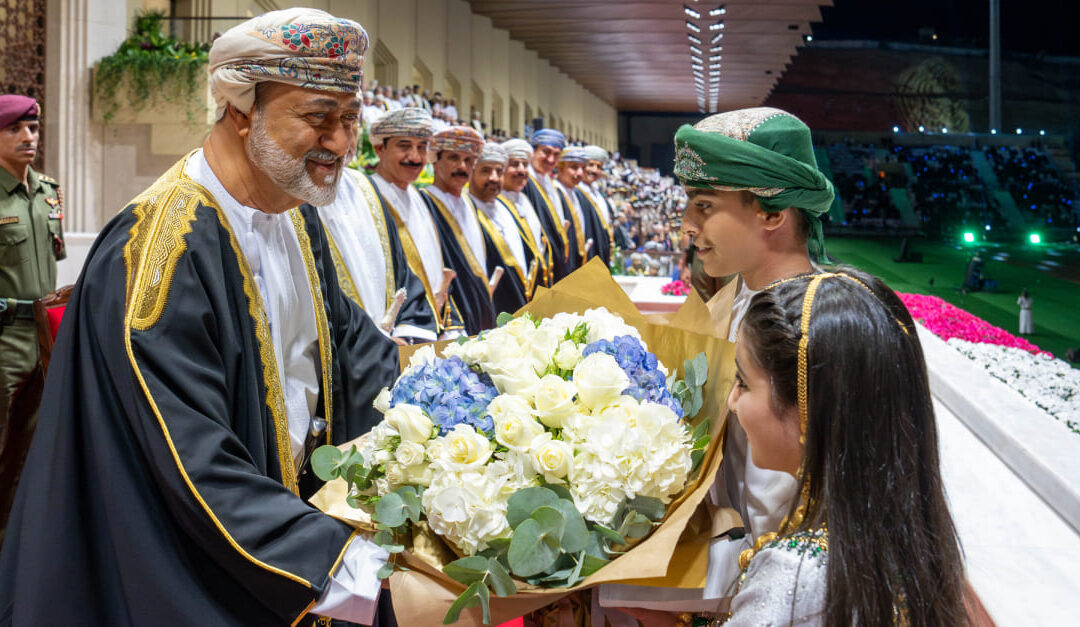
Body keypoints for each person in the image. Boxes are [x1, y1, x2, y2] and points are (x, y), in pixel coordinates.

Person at [0, 10, 400, 624]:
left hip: (290, 533)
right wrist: (351, 574)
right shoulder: (158, 251)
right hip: (187, 564)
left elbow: (353, 352)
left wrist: (468, 414)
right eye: (318, 117)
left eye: (350, 119)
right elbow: (191, 464)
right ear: (241, 110)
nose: (342, 143)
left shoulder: (294, 209)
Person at [628, 269, 967, 625]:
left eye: (743, 382)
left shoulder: (796, 570)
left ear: (807, 409)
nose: (731, 401)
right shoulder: (900, 536)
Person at [600, 108, 837, 616]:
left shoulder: (802, 328)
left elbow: (775, 523)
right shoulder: (740, 299)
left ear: (773, 213)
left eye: (704, 205)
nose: (687, 226)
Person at [0, 94, 65, 544]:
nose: (29, 137)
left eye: (34, 129)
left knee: (28, 450)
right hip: (2, 338)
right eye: (15, 129)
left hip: (40, 338)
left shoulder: (48, 191)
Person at [307, 150, 437, 343]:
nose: (344, 137)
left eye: (351, 121)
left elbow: (401, 269)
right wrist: (376, 344)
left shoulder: (366, 186)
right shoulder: (296, 197)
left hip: (393, 347)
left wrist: (404, 334)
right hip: (345, 351)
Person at [368, 107, 466, 337]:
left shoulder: (420, 198)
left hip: (432, 327)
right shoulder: (369, 197)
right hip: (395, 334)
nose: (415, 157)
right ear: (379, 148)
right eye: (404, 146)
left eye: (422, 147)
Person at [420, 126, 496, 335]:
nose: (462, 166)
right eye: (454, 158)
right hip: (450, 323)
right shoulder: (424, 203)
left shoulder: (470, 204)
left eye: (469, 161)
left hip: (480, 314)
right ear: (435, 160)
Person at [468, 142, 535, 315]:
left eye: (499, 171)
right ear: (471, 172)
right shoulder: (467, 210)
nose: (494, 178)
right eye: (486, 170)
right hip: (490, 310)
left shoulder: (505, 208)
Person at [525, 129, 577, 280]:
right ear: (533, 151)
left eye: (556, 154)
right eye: (546, 152)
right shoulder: (525, 181)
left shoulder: (548, 181)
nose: (550, 159)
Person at [500, 138, 551, 285]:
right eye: (514, 165)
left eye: (525, 165)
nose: (521, 170)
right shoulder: (495, 203)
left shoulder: (525, 200)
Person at [578, 145, 614, 265]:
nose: (594, 170)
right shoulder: (577, 191)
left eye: (599, 167)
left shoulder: (597, 193)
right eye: (591, 165)